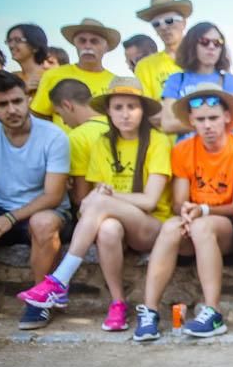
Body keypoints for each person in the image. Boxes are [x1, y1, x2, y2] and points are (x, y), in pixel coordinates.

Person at [18, 77, 171, 332]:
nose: (125, 114)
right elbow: (97, 194)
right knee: (108, 228)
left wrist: (105, 197)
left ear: (142, 111)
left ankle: (59, 279)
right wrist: (103, 195)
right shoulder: (102, 143)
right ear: (108, 111)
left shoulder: (157, 141)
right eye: (118, 107)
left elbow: (149, 200)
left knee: (99, 203)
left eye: (132, 107)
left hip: (152, 226)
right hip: (117, 224)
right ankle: (118, 303)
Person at [134, 84, 233, 341]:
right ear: (191, 121)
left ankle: (213, 311)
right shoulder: (183, 150)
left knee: (202, 226)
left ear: (227, 118)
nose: (208, 125)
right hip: (195, 219)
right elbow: (178, 201)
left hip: (229, 226)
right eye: (200, 119)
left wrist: (203, 210)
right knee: (170, 226)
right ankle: (149, 311)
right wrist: (186, 211)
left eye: (213, 118)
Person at [0, 71, 71, 330]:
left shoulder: (53, 136)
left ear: (28, 99)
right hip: (0, 208)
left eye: (17, 101)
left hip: (47, 209)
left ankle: (40, 300)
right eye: (2, 104)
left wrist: (10, 218)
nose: (11, 109)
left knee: (43, 223)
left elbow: (53, 195)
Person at [31, 18, 119, 132]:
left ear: (106, 47)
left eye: (94, 41)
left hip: (105, 148)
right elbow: (39, 116)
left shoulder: (116, 82)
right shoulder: (53, 75)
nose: (87, 46)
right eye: (82, 41)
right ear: (75, 44)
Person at [158, 22, 233, 136]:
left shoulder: (231, 81)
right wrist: (213, 120)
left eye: (217, 42)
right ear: (191, 45)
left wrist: (191, 121)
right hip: (186, 151)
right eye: (204, 42)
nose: (211, 46)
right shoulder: (176, 80)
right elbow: (167, 123)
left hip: (222, 151)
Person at [49, 78, 108, 205]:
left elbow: (81, 197)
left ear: (67, 105)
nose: (63, 122)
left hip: (95, 214)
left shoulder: (77, 137)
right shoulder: (118, 125)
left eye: (59, 113)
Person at [133, 0, 192, 101]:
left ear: (183, 22)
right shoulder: (145, 67)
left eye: (169, 21)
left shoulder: (203, 58)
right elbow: (148, 110)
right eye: (156, 24)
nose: (163, 27)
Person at [5, 23, 51, 96]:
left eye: (17, 40)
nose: (11, 45)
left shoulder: (50, 76)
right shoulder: (11, 78)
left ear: (35, 46)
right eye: (9, 41)